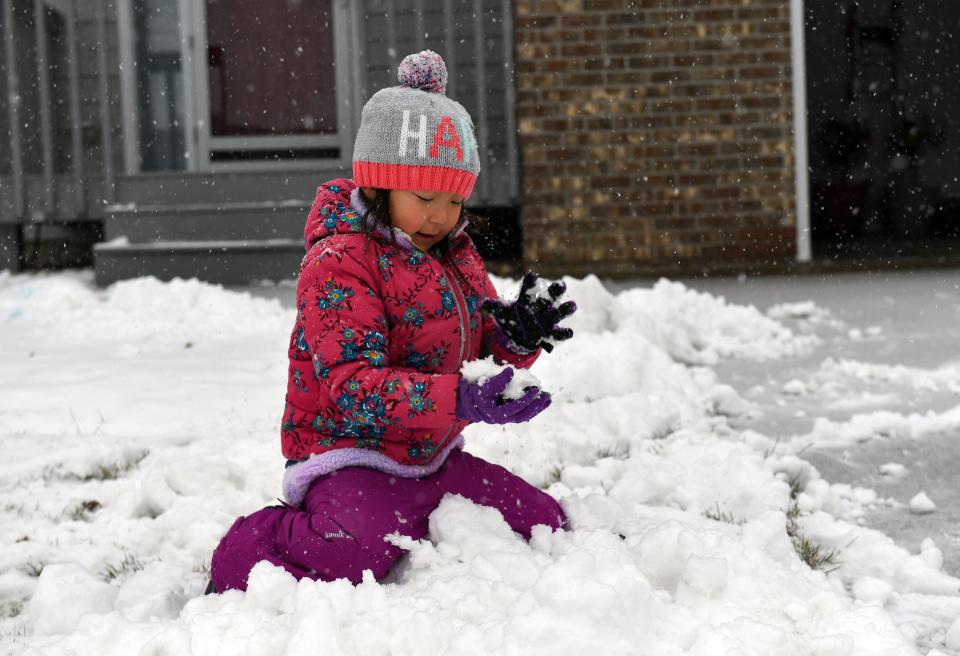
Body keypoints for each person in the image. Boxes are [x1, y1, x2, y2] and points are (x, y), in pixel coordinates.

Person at [208, 50, 577, 592]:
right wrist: (459, 400)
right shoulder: (340, 262)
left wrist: (515, 337)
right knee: (351, 557)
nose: (439, 215)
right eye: (424, 196)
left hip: (434, 458)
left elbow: (475, 345)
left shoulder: (454, 251)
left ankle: (420, 510)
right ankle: (256, 542)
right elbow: (354, 386)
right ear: (379, 186)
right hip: (352, 461)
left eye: (454, 200)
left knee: (544, 524)